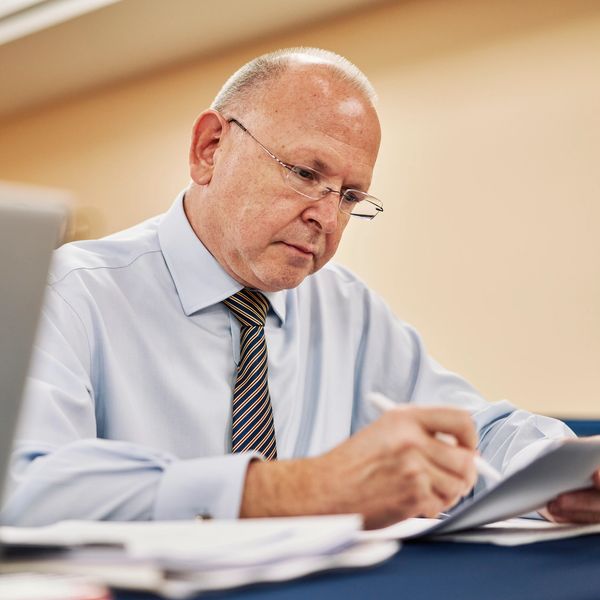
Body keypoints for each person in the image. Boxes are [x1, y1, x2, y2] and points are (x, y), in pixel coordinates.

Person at [3, 48, 599, 529]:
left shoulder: (343, 306)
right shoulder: (67, 293)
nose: (328, 218)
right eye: (306, 173)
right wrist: (298, 490)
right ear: (210, 149)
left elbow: (472, 431)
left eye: (350, 197)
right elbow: (25, 482)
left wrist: (555, 471)